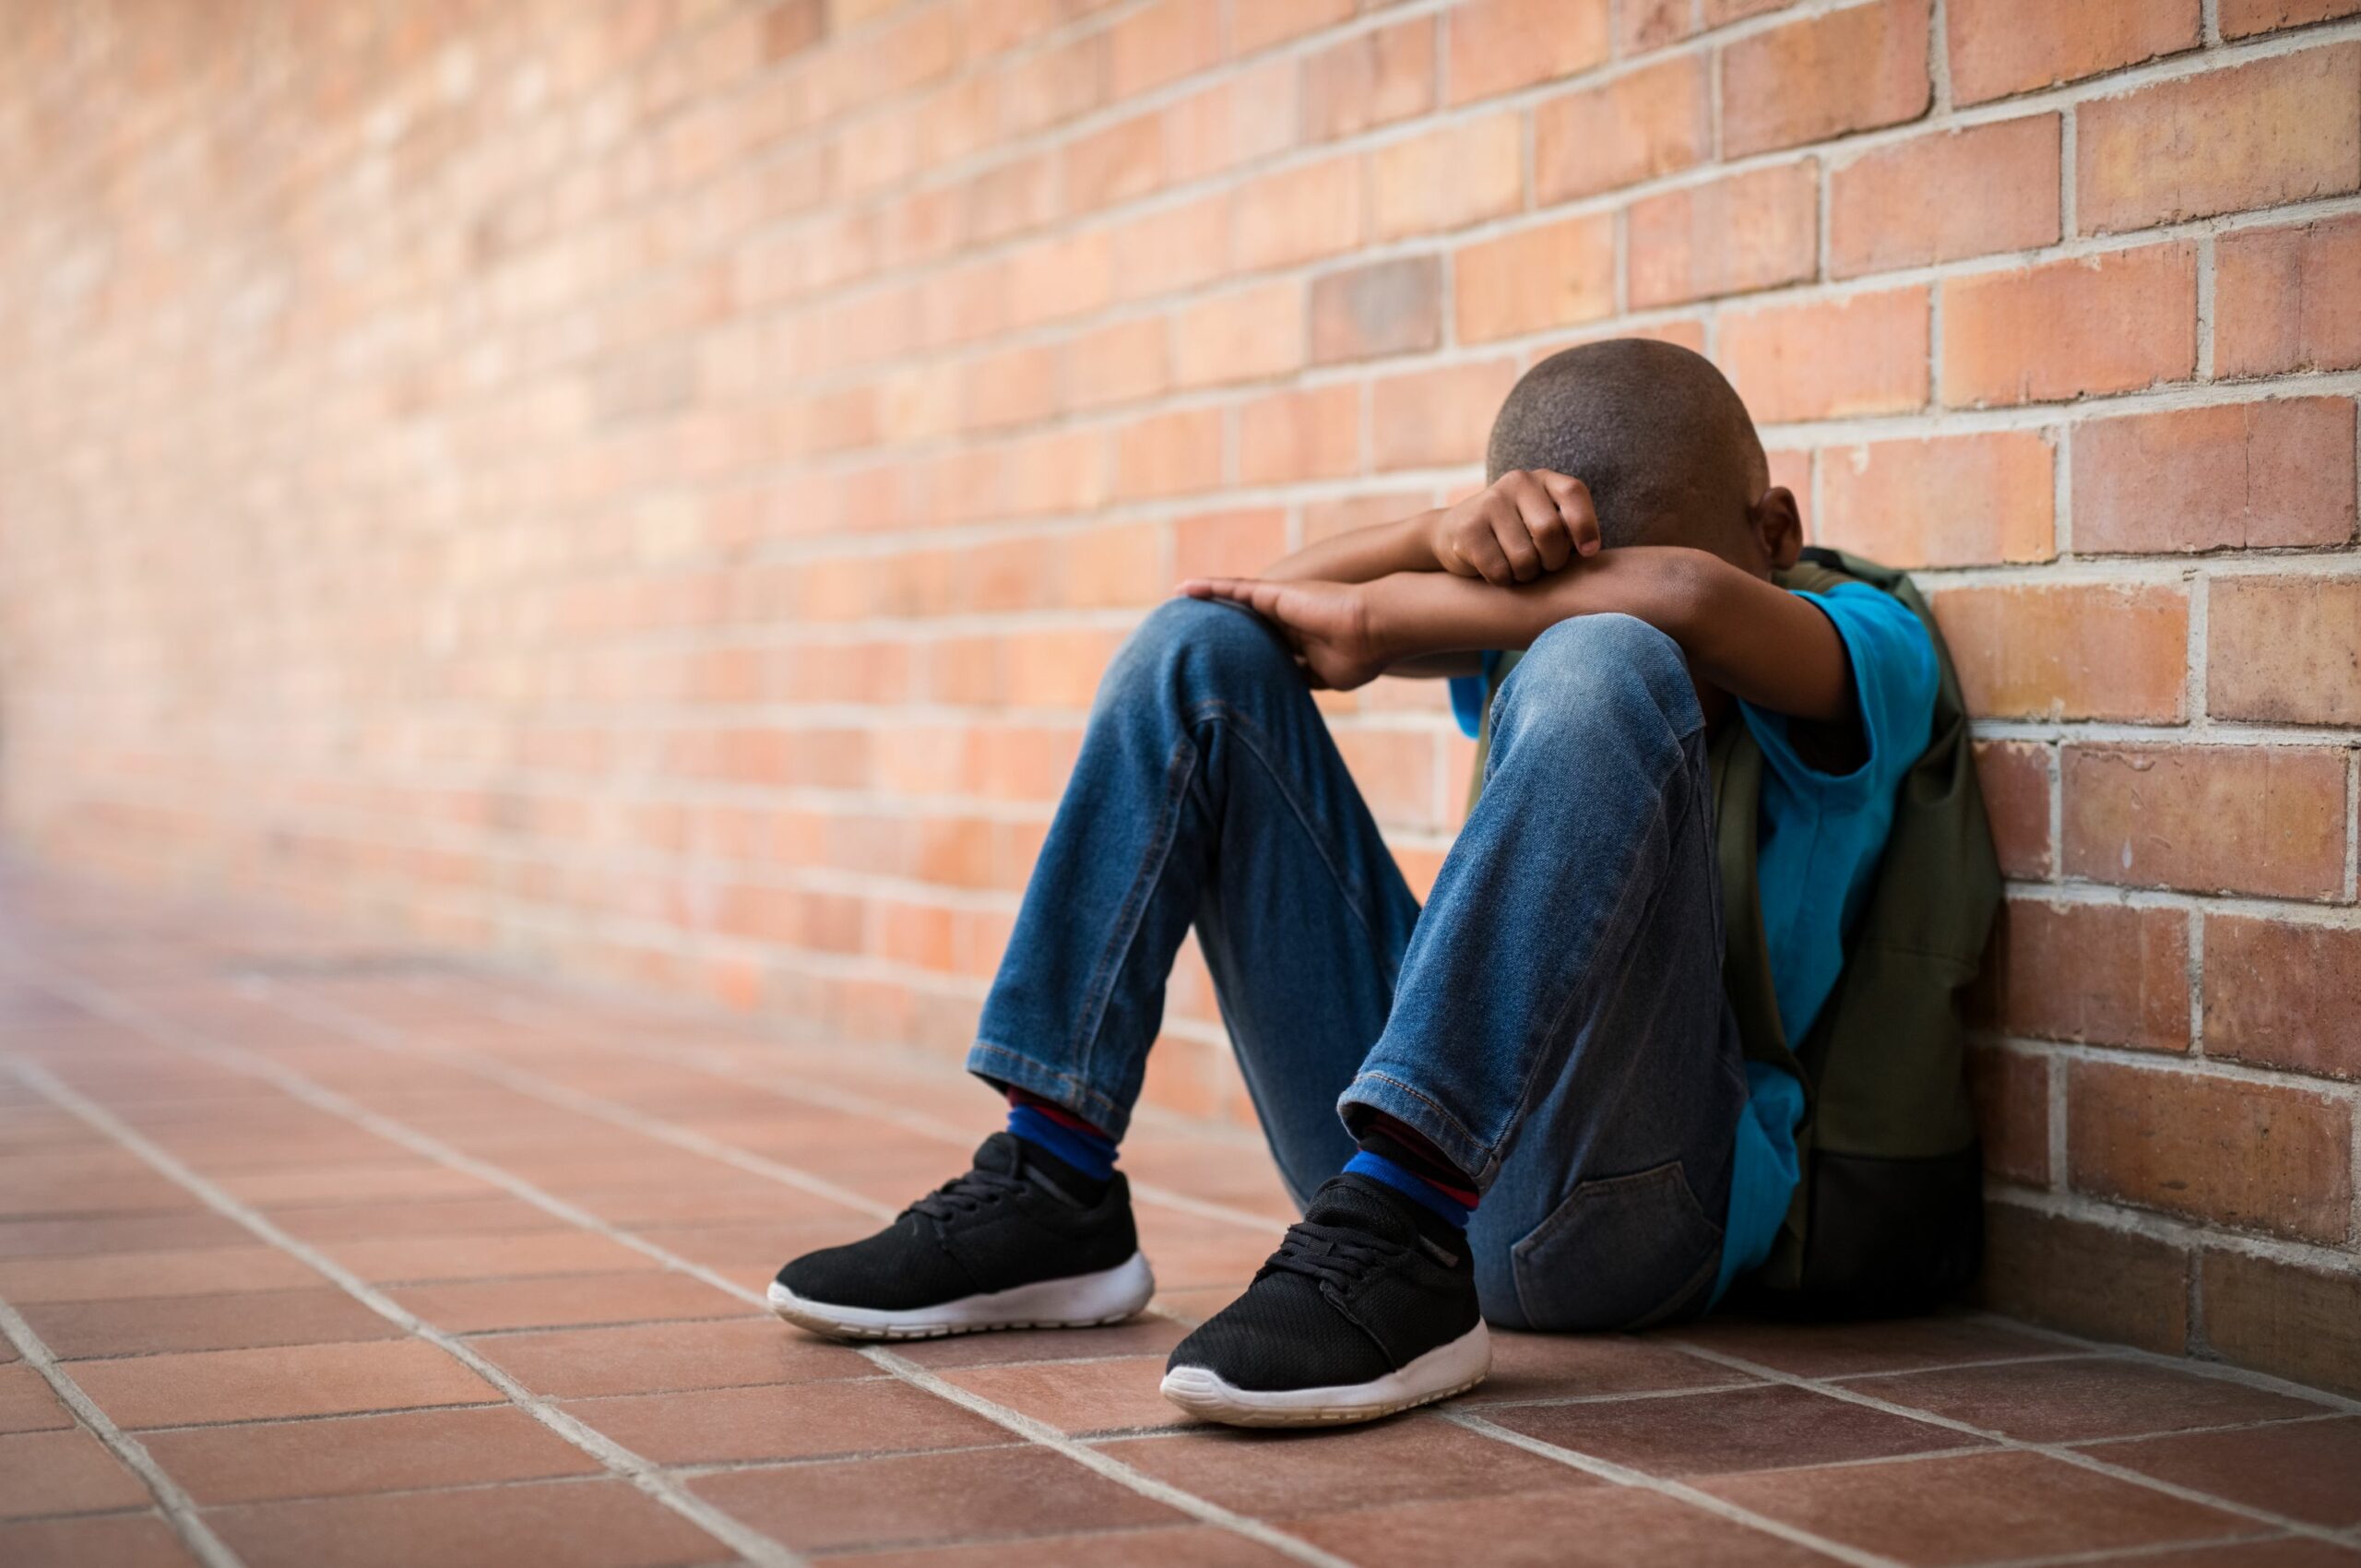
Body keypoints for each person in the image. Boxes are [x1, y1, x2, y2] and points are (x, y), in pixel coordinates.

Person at [767, 339, 1943, 1428]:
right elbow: (1251, 605)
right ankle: (1054, 1175)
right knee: (1197, 653)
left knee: (1608, 657)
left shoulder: (1861, 641)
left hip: (1638, 1215)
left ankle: (1406, 1234)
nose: (1551, 620)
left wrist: (1387, 615)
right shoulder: (1535, 626)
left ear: (1776, 528)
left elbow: (1683, 600)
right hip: (1380, 1179)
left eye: (1570, 592)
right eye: (1548, 593)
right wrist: (1441, 533)